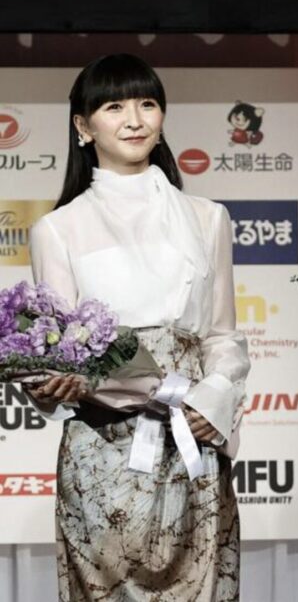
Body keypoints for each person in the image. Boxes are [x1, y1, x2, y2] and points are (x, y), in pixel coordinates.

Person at [27, 54, 249, 601]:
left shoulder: (207, 218)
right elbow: (58, 355)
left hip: (190, 441)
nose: (134, 120)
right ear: (83, 126)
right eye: (114, 107)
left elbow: (222, 335)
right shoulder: (57, 229)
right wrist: (51, 384)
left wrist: (213, 399)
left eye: (147, 104)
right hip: (102, 451)